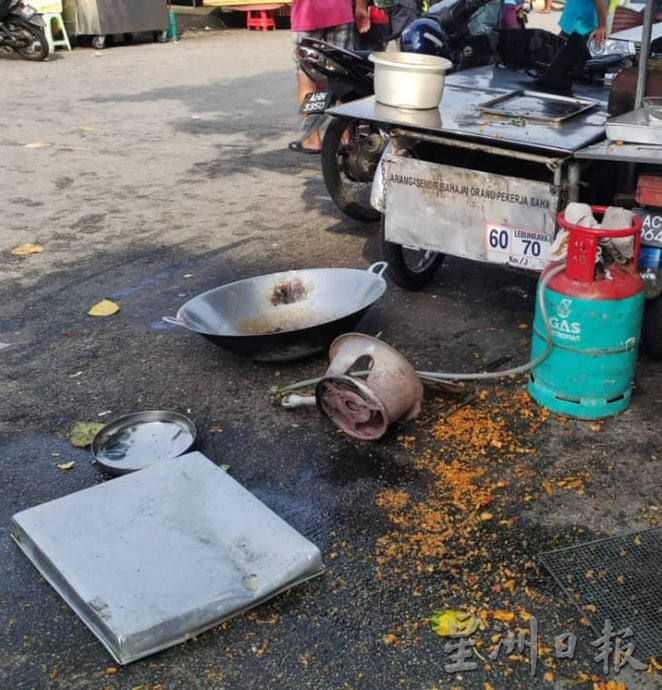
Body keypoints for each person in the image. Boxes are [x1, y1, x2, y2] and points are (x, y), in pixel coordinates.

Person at [289, 0, 369, 154]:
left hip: (308, 13)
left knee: (306, 77)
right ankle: (346, 138)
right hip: (340, 11)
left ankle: (312, 140)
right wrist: (360, 7)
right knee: (342, 77)